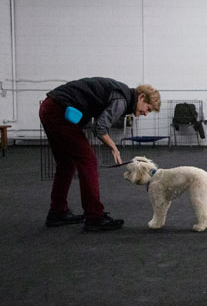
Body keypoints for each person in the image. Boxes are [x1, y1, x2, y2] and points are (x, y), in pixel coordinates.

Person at [39, 77, 161, 231]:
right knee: (88, 161)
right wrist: (113, 147)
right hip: (58, 110)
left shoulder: (121, 93)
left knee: (66, 163)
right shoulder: (122, 99)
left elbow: (94, 119)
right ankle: (94, 217)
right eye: (148, 108)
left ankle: (57, 212)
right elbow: (100, 128)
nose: (145, 114)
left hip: (50, 107)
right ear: (142, 97)